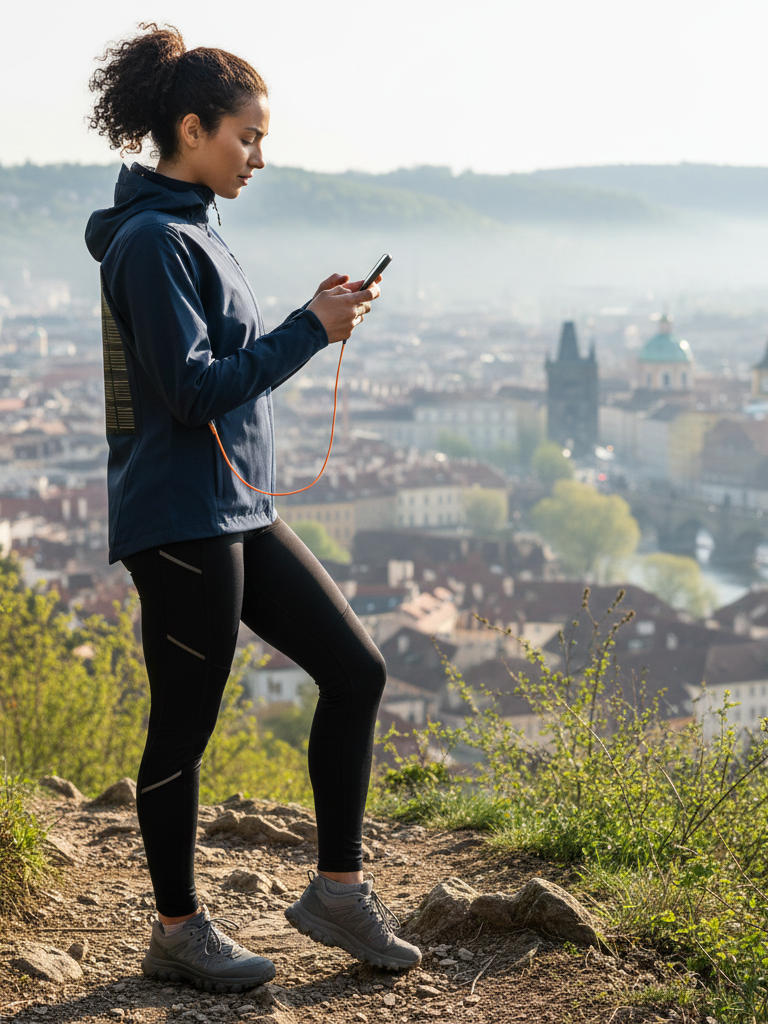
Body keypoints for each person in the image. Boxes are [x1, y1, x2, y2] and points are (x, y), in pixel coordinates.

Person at [85, 22, 421, 993]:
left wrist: (301, 321)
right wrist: (308, 331)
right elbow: (190, 393)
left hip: (232, 505)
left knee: (357, 669)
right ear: (191, 128)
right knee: (183, 730)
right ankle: (178, 928)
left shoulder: (191, 224)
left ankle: (338, 889)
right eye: (247, 137)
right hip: (181, 518)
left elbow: (223, 364)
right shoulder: (153, 241)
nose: (260, 157)